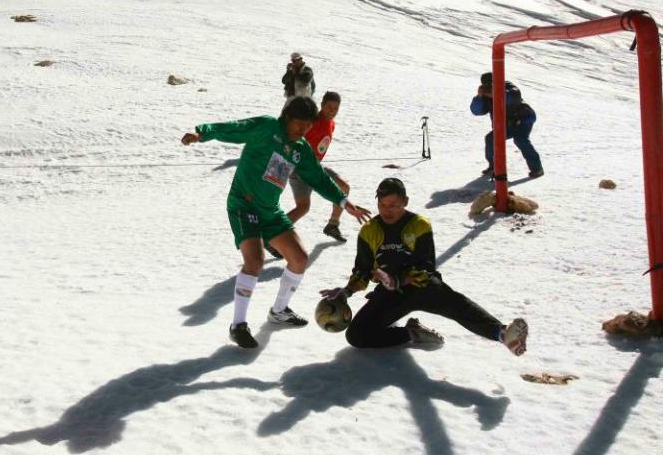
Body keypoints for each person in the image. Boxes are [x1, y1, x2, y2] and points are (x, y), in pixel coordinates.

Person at [181, 97, 371, 349]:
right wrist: (200, 134)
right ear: (286, 117)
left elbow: (319, 178)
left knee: (300, 259)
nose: (302, 131)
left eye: (307, 127)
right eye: (298, 125)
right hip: (243, 204)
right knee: (255, 261)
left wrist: (345, 203)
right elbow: (234, 128)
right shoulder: (267, 127)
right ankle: (238, 325)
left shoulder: (301, 149)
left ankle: (279, 311)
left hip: (269, 210)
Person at [320, 177, 528, 355]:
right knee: (356, 336)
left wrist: (399, 280)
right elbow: (363, 271)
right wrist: (346, 292)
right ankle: (412, 333)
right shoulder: (369, 230)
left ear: (405, 202)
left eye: (392, 205)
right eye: (382, 205)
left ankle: (502, 333)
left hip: (423, 286)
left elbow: (425, 267)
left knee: (458, 306)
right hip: (391, 293)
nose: (386, 210)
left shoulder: (419, 225)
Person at [286, 91, 352, 242]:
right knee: (302, 207)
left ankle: (332, 225)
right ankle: (273, 236)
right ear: (322, 105)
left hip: (316, 168)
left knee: (343, 188)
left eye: (336, 108)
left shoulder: (331, 123)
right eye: (329, 107)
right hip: (300, 170)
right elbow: (294, 140)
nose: (332, 111)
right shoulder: (312, 122)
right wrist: (293, 166)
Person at [471, 71, 542, 178]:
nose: (489, 88)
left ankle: (537, 168)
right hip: (505, 125)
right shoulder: (485, 96)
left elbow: (511, 97)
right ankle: (493, 167)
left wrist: (495, 93)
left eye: (492, 84)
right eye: (487, 86)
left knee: (520, 139)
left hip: (522, 120)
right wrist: (479, 97)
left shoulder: (509, 87)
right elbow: (477, 111)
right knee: (491, 139)